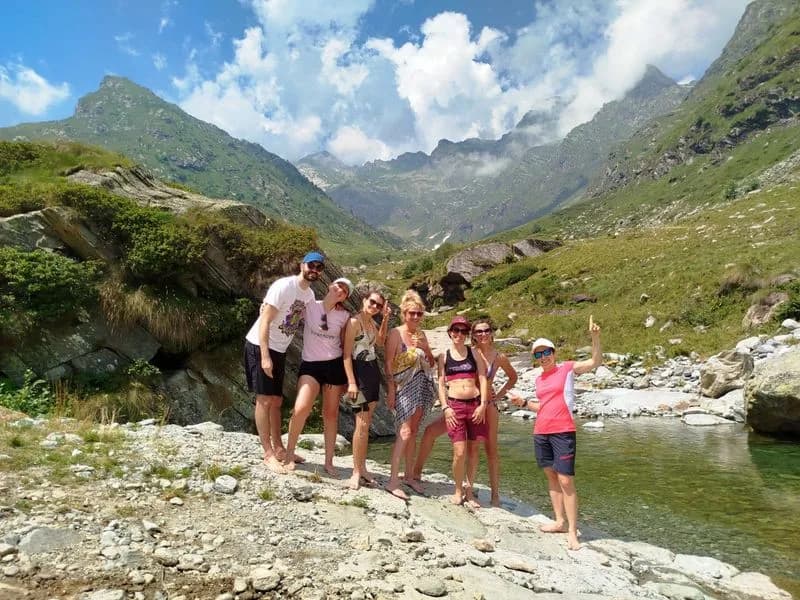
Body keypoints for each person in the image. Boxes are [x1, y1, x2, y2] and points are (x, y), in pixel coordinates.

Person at [509, 316, 602, 551]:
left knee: (566, 479)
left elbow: (594, 362)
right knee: (551, 476)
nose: (543, 357)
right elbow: (542, 407)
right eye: (538, 355)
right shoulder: (540, 379)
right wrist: (523, 403)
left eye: (546, 352)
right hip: (541, 431)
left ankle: (572, 531)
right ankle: (559, 521)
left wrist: (595, 338)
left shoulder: (567, 369)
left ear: (554, 352)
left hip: (563, 431)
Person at [412, 318, 517, 507]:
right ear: (473, 335)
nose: (482, 334)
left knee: (487, 450)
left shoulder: (494, 356)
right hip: (458, 405)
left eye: (486, 331)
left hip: (482, 405)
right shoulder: (468, 352)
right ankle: (417, 472)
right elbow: (437, 370)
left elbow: (501, 378)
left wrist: (493, 398)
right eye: (478, 332)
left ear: (491, 332)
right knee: (433, 434)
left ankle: (491, 494)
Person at [243, 251, 321, 473]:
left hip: (280, 349)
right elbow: (265, 321)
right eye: (311, 265)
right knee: (264, 400)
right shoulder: (284, 286)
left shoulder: (309, 295)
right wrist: (265, 356)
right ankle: (268, 453)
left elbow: (311, 317)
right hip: (260, 345)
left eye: (319, 268)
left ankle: (279, 448)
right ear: (302, 265)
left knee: (276, 400)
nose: (314, 270)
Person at [283, 277, 353, 476]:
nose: (340, 290)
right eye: (339, 285)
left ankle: (329, 462)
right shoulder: (310, 306)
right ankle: (289, 454)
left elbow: (346, 346)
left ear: (345, 298)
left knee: (330, 415)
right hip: (311, 366)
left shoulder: (345, 316)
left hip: (334, 367)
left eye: (345, 291)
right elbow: (288, 315)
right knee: (301, 407)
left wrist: (350, 378)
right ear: (330, 285)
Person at [383, 290, 436, 500]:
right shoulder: (395, 333)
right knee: (404, 432)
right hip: (403, 388)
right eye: (411, 313)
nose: (415, 317)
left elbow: (430, 362)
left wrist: (425, 349)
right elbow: (388, 364)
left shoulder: (422, 335)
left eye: (419, 313)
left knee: (413, 431)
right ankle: (393, 481)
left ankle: (409, 476)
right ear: (404, 313)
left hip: (421, 386)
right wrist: (390, 391)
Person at [437, 316, 489, 508]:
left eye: (463, 331)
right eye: (456, 330)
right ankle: (458, 489)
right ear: (450, 332)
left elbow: (482, 378)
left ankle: (470, 490)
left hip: (475, 406)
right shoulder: (444, 356)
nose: (459, 334)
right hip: (455, 406)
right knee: (459, 452)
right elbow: (441, 384)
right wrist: (445, 407)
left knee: (474, 450)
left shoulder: (474, 353)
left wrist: (483, 404)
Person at [342, 289, 391, 490]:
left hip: (371, 371)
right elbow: (346, 355)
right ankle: (356, 472)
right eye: (372, 302)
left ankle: (363, 468)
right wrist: (351, 382)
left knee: (366, 422)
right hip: (358, 373)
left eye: (379, 305)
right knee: (360, 424)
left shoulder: (371, 322)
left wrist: (386, 319)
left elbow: (379, 342)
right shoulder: (354, 322)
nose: (374, 307)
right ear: (364, 300)